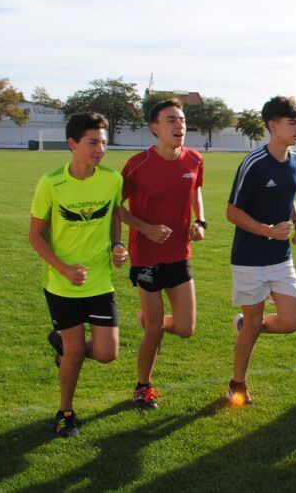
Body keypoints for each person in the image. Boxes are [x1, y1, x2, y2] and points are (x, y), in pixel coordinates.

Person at [29, 112, 128, 438]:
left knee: (107, 354)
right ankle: (66, 413)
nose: (101, 149)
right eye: (93, 143)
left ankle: (61, 343)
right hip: (62, 285)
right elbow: (35, 236)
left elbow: (114, 216)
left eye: (104, 142)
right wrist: (63, 269)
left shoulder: (112, 179)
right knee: (74, 353)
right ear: (72, 144)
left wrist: (117, 245)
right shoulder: (51, 182)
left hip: (100, 282)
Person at [118, 98, 206, 410]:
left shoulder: (194, 159)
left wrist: (200, 221)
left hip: (179, 253)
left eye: (182, 120)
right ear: (154, 128)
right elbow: (115, 206)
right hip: (146, 256)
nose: (179, 125)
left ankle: (148, 319)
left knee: (185, 328)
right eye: (171, 120)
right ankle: (142, 388)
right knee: (154, 330)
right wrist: (146, 228)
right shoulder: (137, 164)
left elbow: (196, 191)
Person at [226, 96, 296, 406]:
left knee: (291, 321)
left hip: (280, 258)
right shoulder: (254, 163)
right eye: (293, 123)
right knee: (254, 323)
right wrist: (269, 231)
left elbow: (288, 194)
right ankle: (237, 385)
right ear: (273, 126)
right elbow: (232, 212)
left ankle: (247, 325)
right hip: (249, 259)